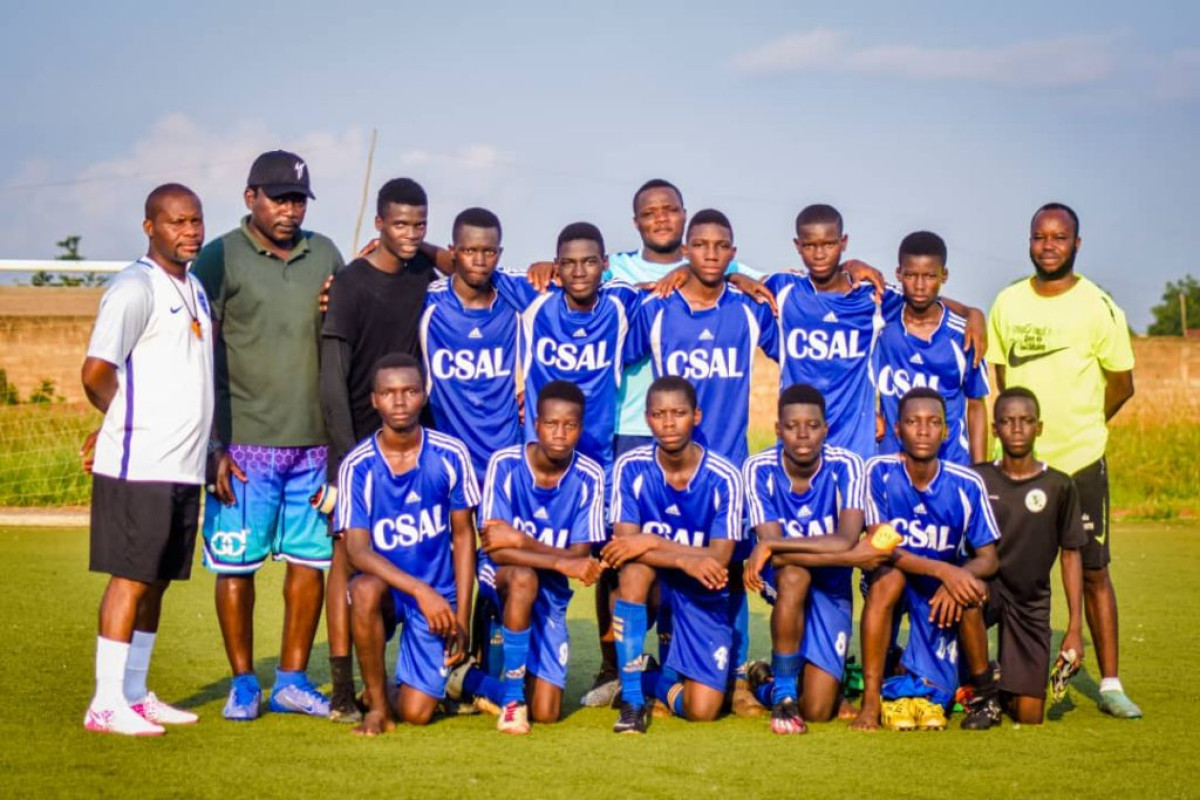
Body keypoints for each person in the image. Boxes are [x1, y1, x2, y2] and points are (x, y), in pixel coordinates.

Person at [192, 150, 345, 721]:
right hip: (242, 448)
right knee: (237, 566)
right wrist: (213, 448)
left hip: (313, 444)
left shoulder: (324, 252)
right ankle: (242, 682)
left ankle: (291, 679)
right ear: (249, 196)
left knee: (310, 566)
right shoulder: (219, 258)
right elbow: (194, 351)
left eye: (298, 199)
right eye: (279, 197)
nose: (289, 210)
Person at [987, 202, 1139, 718]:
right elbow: (1002, 381)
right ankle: (997, 673)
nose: (1048, 245)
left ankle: (1112, 684)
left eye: (1059, 237)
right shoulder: (1007, 303)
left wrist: (1083, 428)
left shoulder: (1098, 305)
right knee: (1003, 573)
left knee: (1094, 571)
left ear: (1077, 244)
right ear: (1028, 242)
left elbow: (1122, 383)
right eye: (1039, 236)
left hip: (1078, 463)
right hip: (1017, 468)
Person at [623, 208, 777, 715]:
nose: (711, 254)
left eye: (721, 247)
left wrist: (740, 279)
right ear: (686, 249)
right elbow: (606, 339)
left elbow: (798, 314)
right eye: (701, 246)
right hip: (671, 465)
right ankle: (665, 673)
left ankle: (733, 680)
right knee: (671, 572)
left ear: (733, 253)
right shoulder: (659, 307)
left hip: (729, 463)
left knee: (729, 576)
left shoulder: (751, 307)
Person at [79, 183, 211, 735]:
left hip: (182, 465)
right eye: (176, 222)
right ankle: (106, 700)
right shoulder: (134, 287)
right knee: (130, 578)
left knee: (156, 581)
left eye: (195, 221)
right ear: (150, 227)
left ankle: (134, 691)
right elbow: (95, 372)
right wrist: (120, 424)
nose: (189, 232)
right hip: (140, 464)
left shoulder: (195, 286)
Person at [319, 177, 438, 721]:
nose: (410, 235)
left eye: (419, 224)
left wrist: (433, 251)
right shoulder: (347, 284)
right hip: (358, 450)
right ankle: (345, 685)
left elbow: (466, 264)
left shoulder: (425, 277)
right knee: (347, 561)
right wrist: (343, 464)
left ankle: (434, 664)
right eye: (400, 224)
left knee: (418, 547)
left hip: (413, 445)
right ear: (378, 225)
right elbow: (331, 379)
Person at [445, 381, 607, 734]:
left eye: (570, 425)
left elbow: (579, 557)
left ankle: (469, 679)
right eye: (551, 424)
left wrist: (521, 538)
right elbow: (495, 549)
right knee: (522, 577)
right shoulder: (505, 464)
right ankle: (513, 701)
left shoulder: (590, 476)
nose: (560, 434)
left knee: (548, 711)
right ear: (536, 424)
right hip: (500, 575)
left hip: (550, 586)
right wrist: (560, 561)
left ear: (581, 427)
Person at [766, 206, 985, 460]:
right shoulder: (783, 289)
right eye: (810, 245)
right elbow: (734, 286)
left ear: (843, 242)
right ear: (797, 245)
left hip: (857, 447)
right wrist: (737, 276)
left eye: (828, 244)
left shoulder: (872, 296)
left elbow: (918, 294)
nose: (819, 253)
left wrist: (971, 313)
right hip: (798, 445)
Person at [337, 354, 479, 734]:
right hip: (391, 593)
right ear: (374, 400)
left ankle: (382, 691)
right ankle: (378, 710)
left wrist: (461, 616)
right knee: (363, 588)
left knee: (418, 713)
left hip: (438, 594)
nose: (399, 401)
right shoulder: (358, 465)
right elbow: (356, 551)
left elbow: (465, 537)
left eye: (410, 391)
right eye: (388, 392)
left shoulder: (451, 454)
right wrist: (418, 589)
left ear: (424, 395)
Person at [742, 384, 889, 734]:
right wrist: (849, 554)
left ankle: (762, 679)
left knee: (820, 710)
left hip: (833, 585)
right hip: (787, 581)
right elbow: (782, 558)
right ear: (778, 429)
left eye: (812, 425)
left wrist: (772, 547)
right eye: (792, 426)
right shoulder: (758, 468)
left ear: (827, 428)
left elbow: (846, 536)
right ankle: (784, 694)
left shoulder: (848, 465)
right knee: (794, 575)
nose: (803, 434)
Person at [851, 388, 1000, 732]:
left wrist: (955, 579)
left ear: (946, 432)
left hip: (939, 590)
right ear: (896, 429)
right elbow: (881, 547)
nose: (922, 430)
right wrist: (945, 570)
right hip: (895, 579)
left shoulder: (966, 483)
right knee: (889, 578)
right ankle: (871, 700)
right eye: (912, 422)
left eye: (934, 422)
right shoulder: (879, 472)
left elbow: (989, 558)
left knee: (969, 590)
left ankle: (984, 695)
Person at [602, 376, 744, 734]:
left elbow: (718, 558)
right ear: (647, 419)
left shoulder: (724, 475)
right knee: (633, 572)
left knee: (703, 709)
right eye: (659, 414)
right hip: (656, 585)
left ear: (696, 416)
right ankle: (633, 701)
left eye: (678, 413)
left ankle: (648, 678)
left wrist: (650, 541)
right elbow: (623, 547)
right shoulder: (630, 467)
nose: (668, 423)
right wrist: (682, 558)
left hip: (703, 591)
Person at [964, 387, 1086, 727]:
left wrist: (1075, 627)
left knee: (1030, 715)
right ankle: (985, 692)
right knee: (967, 597)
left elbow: (1071, 554)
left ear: (1039, 427)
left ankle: (1003, 677)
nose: (1017, 428)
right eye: (1007, 421)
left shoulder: (1060, 486)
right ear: (995, 428)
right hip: (986, 590)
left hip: (1030, 599)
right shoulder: (977, 478)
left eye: (1026, 421)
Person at [418, 207, 521, 478]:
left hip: (505, 458)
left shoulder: (515, 301)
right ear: (453, 251)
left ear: (499, 253)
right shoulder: (428, 302)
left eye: (489, 252)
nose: (479, 261)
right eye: (469, 251)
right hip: (448, 459)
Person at [874, 231, 989, 465]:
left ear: (943, 275)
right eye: (910, 275)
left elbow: (977, 405)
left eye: (929, 276)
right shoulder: (882, 324)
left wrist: (980, 470)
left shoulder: (963, 335)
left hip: (951, 461)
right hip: (892, 460)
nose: (919, 285)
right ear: (898, 274)